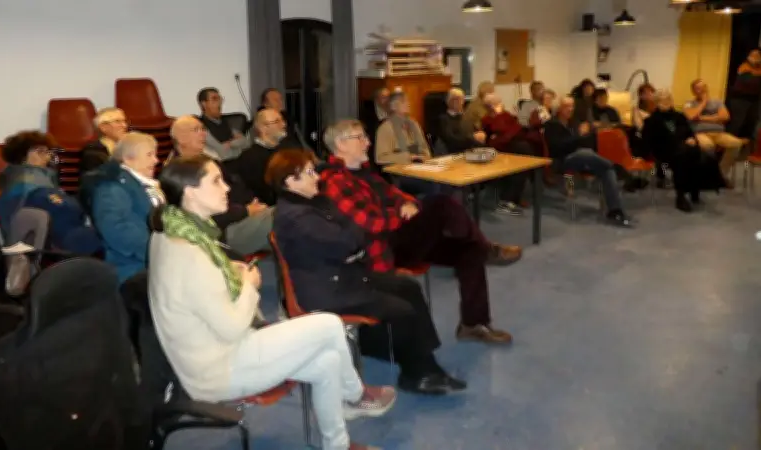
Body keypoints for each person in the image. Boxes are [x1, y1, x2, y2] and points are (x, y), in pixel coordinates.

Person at [148, 155, 395, 450]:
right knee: (329, 324)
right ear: (189, 191)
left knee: (328, 362)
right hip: (219, 366)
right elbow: (231, 328)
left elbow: (200, 293)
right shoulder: (190, 253)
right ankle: (355, 397)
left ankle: (338, 444)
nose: (226, 187)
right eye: (215, 181)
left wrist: (233, 277)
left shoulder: (174, 231)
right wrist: (250, 287)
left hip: (214, 350)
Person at [269, 149, 466, 395]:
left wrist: (351, 240)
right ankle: (416, 373)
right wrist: (351, 240)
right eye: (309, 173)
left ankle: (424, 363)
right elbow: (348, 241)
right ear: (290, 181)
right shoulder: (296, 216)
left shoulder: (315, 201)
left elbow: (354, 232)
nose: (316, 177)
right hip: (327, 291)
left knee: (407, 287)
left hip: (344, 275)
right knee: (401, 310)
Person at [320, 119, 522, 344]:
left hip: (403, 237)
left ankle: (473, 323)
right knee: (441, 204)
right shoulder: (335, 181)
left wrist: (411, 206)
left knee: (470, 249)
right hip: (383, 250)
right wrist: (401, 213)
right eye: (360, 137)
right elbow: (370, 222)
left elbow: (396, 195)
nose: (367, 142)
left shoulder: (365, 173)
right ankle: (489, 249)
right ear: (341, 144)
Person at [169, 115, 272, 255]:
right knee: (286, 218)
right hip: (224, 230)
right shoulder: (178, 173)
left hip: (245, 214)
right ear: (180, 138)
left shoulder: (209, 161)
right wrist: (246, 210)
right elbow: (202, 214)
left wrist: (253, 204)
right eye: (196, 130)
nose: (203, 133)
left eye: (203, 129)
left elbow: (237, 187)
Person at [0, 130, 101, 254]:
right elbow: (64, 208)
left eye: (48, 152)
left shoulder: (33, 177)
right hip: (59, 243)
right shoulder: (26, 181)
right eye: (40, 152)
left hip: (63, 235)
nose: (47, 157)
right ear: (21, 156)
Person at [543, 97, 632, 227]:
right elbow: (556, 148)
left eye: (572, 106)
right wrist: (579, 137)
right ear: (559, 109)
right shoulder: (552, 125)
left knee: (607, 170)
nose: (570, 109)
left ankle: (615, 210)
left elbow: (587, 141)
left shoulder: (574, 122)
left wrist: (584, 137)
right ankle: (618, 168)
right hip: (563, 160)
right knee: (584, 153)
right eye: (566, 106)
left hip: (584, 158)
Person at [89, 132, 164, 283]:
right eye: (149, 155)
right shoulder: (111, 188)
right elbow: (117, 230)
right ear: (128, 158)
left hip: (155, 261)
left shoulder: (146, 184)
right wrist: (158, 253)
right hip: (132, 268)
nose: (156, 160)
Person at [642, 90, 726, 212]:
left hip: (684, 148)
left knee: (704, 156)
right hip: (664, 150)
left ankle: (695, 188)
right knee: (683, 158)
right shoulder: (651, 121)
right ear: (656, 103)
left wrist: (692, 139)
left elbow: (690, 133)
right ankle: (681, 196)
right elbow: (651, 142)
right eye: (662, 101)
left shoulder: (679, 116)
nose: (666, 103)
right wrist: (677, 143)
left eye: (668, 100)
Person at [480, 93, 531, 215]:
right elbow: (498, 136)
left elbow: (517, 127)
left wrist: (506, 134)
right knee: (522, 154)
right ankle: (508, 200)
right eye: (497, 104)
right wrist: (505, 131)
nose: (501, 106)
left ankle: (511, 199)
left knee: (523, 159)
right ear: (490, 106)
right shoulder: (487, 119)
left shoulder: (506, 115)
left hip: (512, 147)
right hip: (499, 150)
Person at [683, 79, 743, 184]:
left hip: (719, 133)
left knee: (736, 143)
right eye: (698, 88)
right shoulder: (689, 103)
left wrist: (701, 118)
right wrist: (704, 102)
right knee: (708, 146)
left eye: (703, 87)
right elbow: (691, 116)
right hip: (700, 133)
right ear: (693, 91)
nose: (702, 90)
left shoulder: (717, 102)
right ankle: (706, 175)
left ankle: (720, 174)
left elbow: (725, 116)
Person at [234, 108, 288, 205]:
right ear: (263, 128)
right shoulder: (250, 157)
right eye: (277, 121)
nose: (284, 125)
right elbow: (261, 192)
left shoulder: (288, 149)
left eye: (282, 120)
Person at [196, 87, 250, 160]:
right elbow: (223, 154)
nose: (219, 102)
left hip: (239, 162)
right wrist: (237, 146)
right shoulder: (200, 126)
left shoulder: (226, 122)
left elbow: (246, 143)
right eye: (215, 99)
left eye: (220, 99)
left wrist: (230, 144)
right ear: (204, 104)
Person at [435, 88, 486, 155]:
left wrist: (481, 135)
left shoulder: (467, 117)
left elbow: (476, 132)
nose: (459, 102)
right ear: (449, 101)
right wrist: (472, 138)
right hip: (454, 153)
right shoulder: (444, 119)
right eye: (455, 99)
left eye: (461, 99)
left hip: (471, 152)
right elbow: (452, 140)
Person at [79, 108, 129, 175]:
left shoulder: (128, 147)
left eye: (124, 121)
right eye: (118, 121)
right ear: (103, 127)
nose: (124, 125)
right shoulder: (93, 152)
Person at [728, 48, 761, 141]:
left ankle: (744, 145)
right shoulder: (744, 67)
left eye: (756, 55)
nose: (753, 57)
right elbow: (750, 82)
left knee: (751, 122)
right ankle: (729, 144)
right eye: (751, 55)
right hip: (740, 99)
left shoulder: (760, 68)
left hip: (754, 100)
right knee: (737, 123)